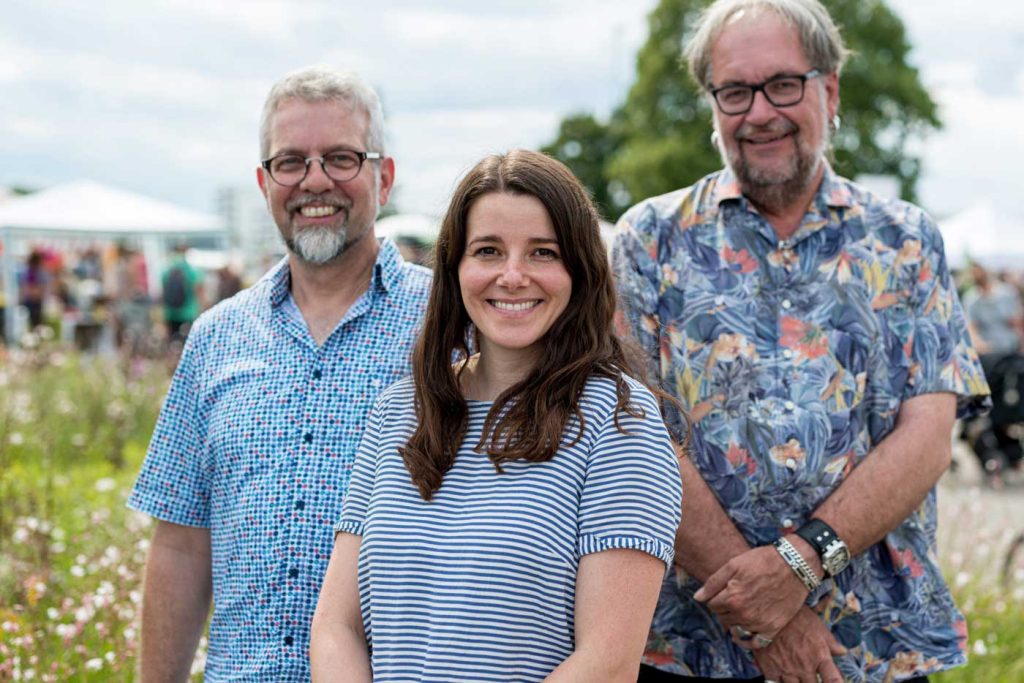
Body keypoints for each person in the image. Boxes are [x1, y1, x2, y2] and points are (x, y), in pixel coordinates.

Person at [612, 1, 990, 681]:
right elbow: (637, 441)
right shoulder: (649, 240)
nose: (760, 112)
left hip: (873, 649)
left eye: (784, 84)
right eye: (735, 90)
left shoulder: (903, 241)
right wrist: (763, 612)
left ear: (830, 90)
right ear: (712, 104)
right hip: (691, 648)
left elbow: (928, 435)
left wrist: (799, 564)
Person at [310, 149, 683, 682]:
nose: (512, 275)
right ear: (455, 268)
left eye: (542, 253)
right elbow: (335, 627)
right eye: (488, 250)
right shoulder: (398, 412)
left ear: (578, 268)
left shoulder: (619, 422)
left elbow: (607, 663)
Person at [128, 65, 431, 681]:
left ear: (385, 176)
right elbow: (182, 543)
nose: (315, 180)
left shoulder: (449, 326)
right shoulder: (215, 338)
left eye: (341, 158)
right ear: (264, 182)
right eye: (291, 161)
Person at [962, 262, 1024, 480]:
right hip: (988, 358)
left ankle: (1009, 451)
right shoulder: (972, 299)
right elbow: (971, 328)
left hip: (1010, 356)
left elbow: (1017, 323)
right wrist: (981, 347)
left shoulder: (1006, 294)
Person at [161, 243, 203, 344]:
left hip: (171, 312)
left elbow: (163, 292)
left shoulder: (166, 269)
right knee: (189, 342)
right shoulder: (190, 269)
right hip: (188, 312)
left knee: (173, 342)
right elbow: (198, 289)